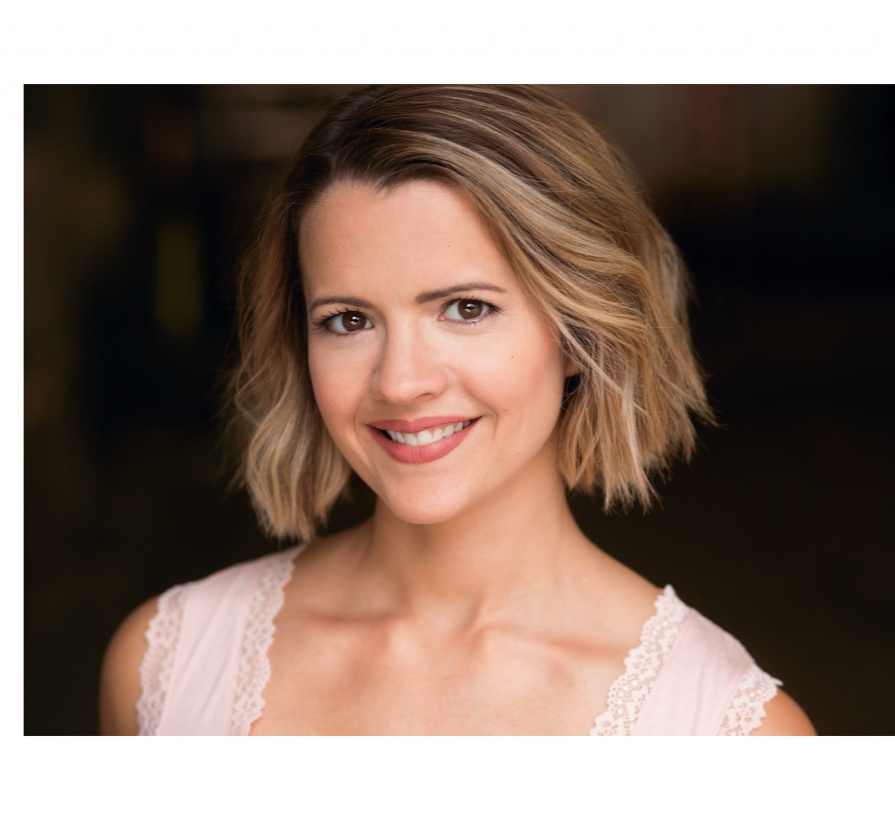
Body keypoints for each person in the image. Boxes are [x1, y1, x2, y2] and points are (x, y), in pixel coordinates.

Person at [99, 85, 815, 736]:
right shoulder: (164, 666)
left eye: (466, 309)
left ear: (579, 333)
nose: (401, 382)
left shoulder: (727, 733)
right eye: (348, 320)